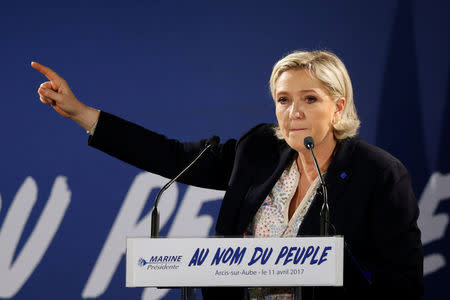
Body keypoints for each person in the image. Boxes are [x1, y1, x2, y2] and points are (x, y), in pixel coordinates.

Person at [32, 50, 423, 300]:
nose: (293, 113)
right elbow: (171, 155)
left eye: (310, 99)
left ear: (338, 107)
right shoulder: (258, 150)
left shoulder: (379, 174)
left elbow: (402, 285)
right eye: (283, 100)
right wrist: (82, 112)